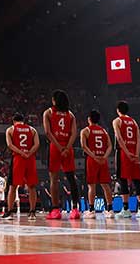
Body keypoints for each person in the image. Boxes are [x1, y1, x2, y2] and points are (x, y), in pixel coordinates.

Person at [43, 90, 80, 220]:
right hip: (68, 147)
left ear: (54, 101)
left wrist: (59, 148)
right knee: (71, 178)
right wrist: (67, 148)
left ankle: (55, 210)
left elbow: (47, 132)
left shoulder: (48, 112)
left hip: (55, 147)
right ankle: (75, 210)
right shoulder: (70, 115)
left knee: (54, 179)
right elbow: (74, 133)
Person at [3, 112, 39, 220]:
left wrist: (21, 153)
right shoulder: (32, 130)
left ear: (14, 121)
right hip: (30, 158)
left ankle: (9, 212)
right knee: (32, 186)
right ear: (24, 121)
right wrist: (28, 153)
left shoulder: (11, 129)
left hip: (18, 158)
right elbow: (37, 144)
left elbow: (10, 145)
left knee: (13, 186)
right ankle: (32, 212)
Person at [112, 101, 140, 218]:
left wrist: (127, 153)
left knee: (123, 180)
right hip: (134, 152)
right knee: (137, 180)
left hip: (123, 153)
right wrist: (136, 154)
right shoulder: (134, 122)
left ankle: (125, 209)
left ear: (118, 110)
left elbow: (120, 139)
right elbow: (138, 139)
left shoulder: (117, 121)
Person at [80, 109, 113, 219]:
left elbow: (84, 147)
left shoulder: (85, 131)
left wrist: (94, 156)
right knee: (105, 185)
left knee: (91, 185)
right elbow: (109, 146)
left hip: (92, 160)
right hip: (103, 160)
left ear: (89, 119)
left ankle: (91, 210)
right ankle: (110, 209)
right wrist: (104, 157)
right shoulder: (104, 131)